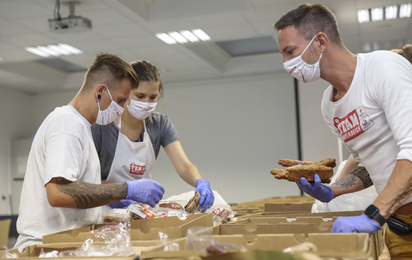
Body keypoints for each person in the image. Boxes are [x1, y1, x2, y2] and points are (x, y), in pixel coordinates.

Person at [274, 4, 412, 258]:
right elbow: (371, 165)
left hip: (384, 213)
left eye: (290, 51)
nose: (286, 63)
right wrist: (334, 190)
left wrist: (373, 215)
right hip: (399, 226)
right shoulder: (330, 104)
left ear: (321, 42)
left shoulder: (382, 68)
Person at [14, 54, 165, 252]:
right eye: (120, 100)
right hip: (45, 248)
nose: (121, 110)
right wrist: (126, 189)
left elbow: (77, 183)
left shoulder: (82, 126)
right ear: (100, 92)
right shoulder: (66, 124)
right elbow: (58, 193)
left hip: (64, 245)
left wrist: (116, 195)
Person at [92, 60, 214, 210]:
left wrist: (200, 182)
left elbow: (184, 165)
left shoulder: (160, 124)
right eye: (140, 96)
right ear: (125, 92)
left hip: (141, 210)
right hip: (103, 208)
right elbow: (89, 180)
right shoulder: (101, 125)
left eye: (153, 97)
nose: (146, 103)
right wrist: (121, 193)